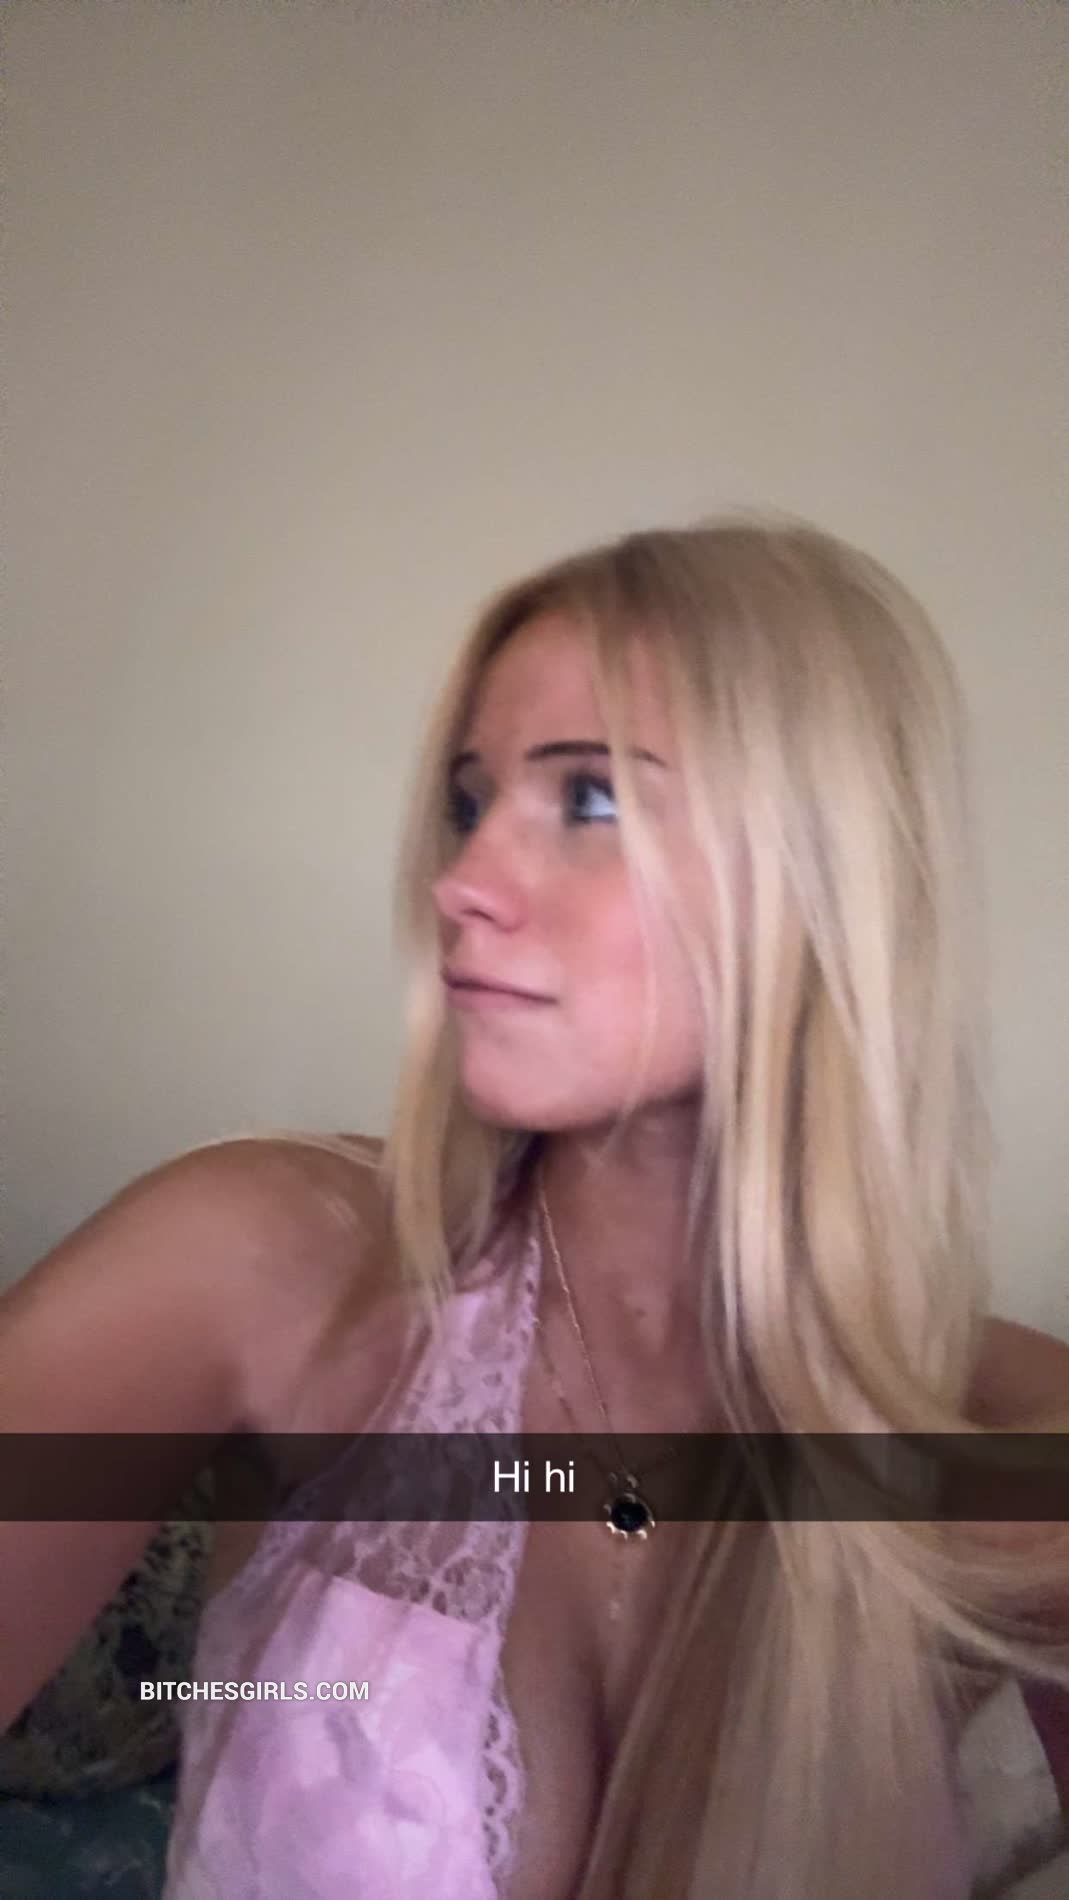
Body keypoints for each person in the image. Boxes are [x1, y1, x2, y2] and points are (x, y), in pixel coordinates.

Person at [2, 512, 1067, 1899]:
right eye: (468, 802)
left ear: (828, 877)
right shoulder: (264, 1265)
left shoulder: (972, 1430)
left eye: (591, 801)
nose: (458, 884)